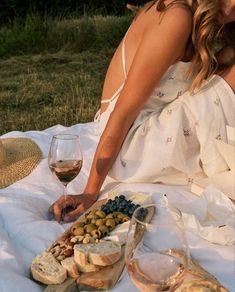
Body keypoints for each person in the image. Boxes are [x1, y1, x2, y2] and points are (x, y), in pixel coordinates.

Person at [49, 0, 235, 222]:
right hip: (130, 145)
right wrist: (90, 192)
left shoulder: (203, 18)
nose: (232, 6)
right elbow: (123, 114)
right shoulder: (177, 17)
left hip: (149, 126)